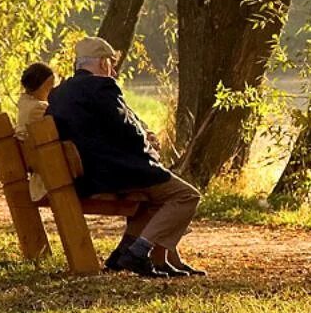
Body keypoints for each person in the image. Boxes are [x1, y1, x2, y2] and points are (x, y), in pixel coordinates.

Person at [46, 36, 204, 278]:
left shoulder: (58, 93)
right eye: (109, 61)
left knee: (154, 199)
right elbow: (127, 131)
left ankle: (123, 253)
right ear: (101, 63)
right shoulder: (102, 86)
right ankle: (138, 252)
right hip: (115, 173)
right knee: (186, 195)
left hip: (84, 174)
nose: (112, 67)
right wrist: (147, 142)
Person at [15, 62, 56, 202]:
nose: (52, 89)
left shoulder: (26, 105)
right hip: (45, 172)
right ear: (38, 86)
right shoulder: (38, 109)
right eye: (49, 85)